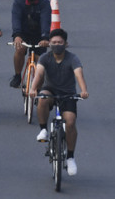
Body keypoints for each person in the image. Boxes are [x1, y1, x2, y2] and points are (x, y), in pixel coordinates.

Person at [28, 28, 89, 177]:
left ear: (66, 44)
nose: (57, 45)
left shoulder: (72, 58)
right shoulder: (44, 58)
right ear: (49, 44)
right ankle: (43, 130)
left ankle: (70, 157)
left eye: (60, 42)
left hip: (68, 93)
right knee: (42, 98)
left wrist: (83, 90)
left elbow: (78, 73)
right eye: (54, 42)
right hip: (50, 90)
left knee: (70, 122)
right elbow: (39, 73)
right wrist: (33, 88)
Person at [9, 0, 50, 88]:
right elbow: (16, 19)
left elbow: (45, 20)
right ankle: (17, 76)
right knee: (20, 49)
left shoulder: (45, 3)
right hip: (23, 33)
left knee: (39, 61)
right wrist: (17, 35)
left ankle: (39, 89)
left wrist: (45, 38)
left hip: (39, 35)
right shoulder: (18, 1)